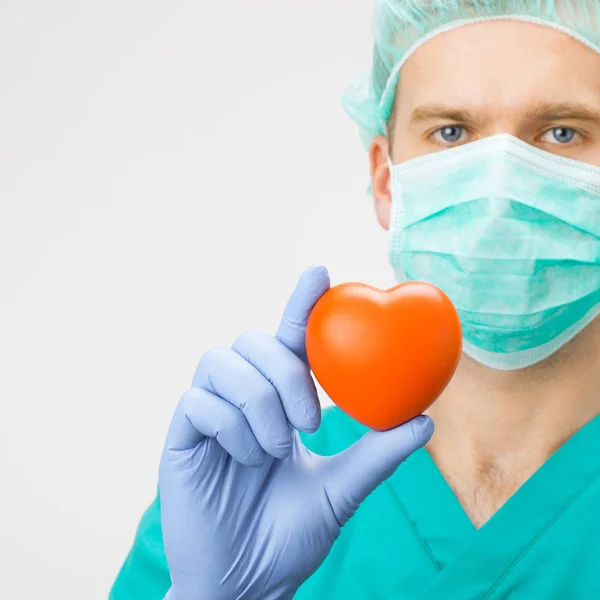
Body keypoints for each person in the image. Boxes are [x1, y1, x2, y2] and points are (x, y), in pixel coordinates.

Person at [110, 1, 600, 598]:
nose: (497, 189)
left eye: (562, 131)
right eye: (451, 132)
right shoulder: (240, 493)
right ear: (386, 180)